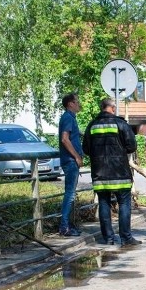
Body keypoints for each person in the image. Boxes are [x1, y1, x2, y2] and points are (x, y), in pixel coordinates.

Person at [82, 98, 140, 247]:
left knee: (104, 203)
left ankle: (108, 238)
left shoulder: (92, 125)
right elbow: (132, 146)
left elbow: (86, 149)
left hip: (100, 173)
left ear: (101, 108)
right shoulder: (121, 124)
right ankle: (126, 238)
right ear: (113, 108)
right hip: (120, 172)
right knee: (124, 203)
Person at [58, 93, 84, 237]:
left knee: (71, 194)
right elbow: (65, 139)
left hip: (70, 161)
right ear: (70, 104)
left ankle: (68, 224)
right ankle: (64, 227)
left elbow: (73, 134)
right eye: (76, 101)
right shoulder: (68, 117)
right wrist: (76, 157)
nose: (78, 104)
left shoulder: (70, 118)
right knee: (70, 195)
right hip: (70, 161)